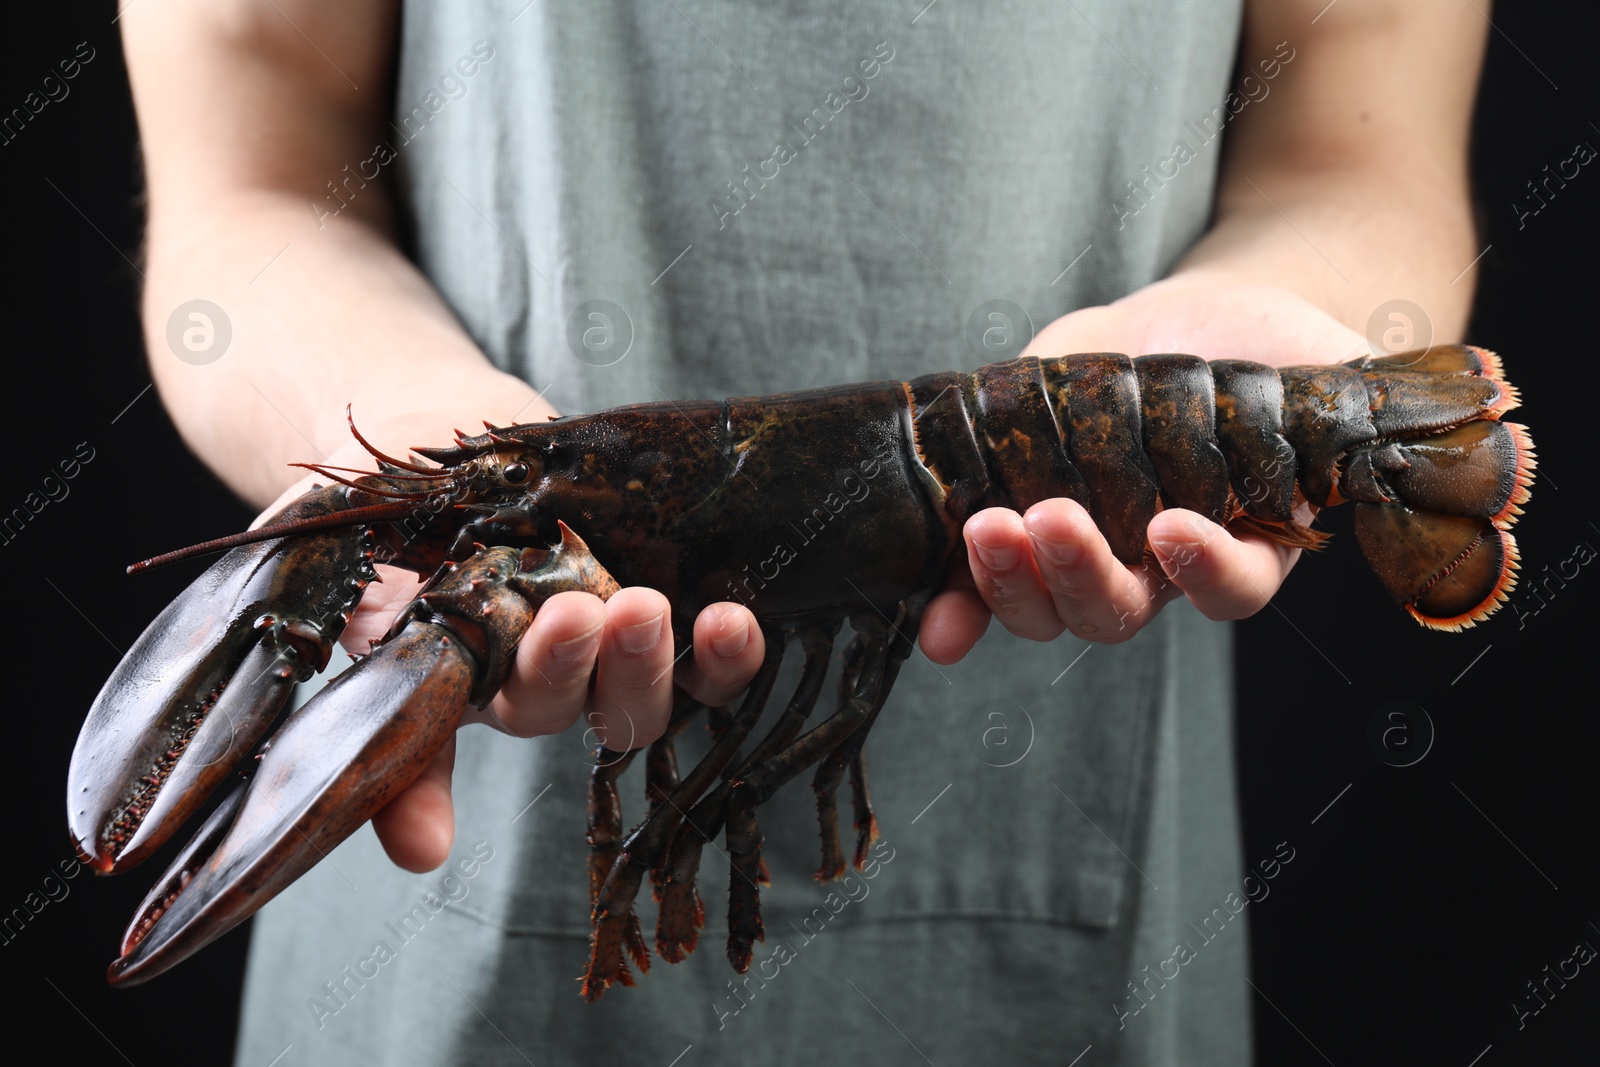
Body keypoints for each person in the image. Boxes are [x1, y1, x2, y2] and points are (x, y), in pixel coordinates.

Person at [121, 1, 1487, 1062]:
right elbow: (252, 172)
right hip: (429, 979)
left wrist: (1281, 333)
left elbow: (1362, 155)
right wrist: (423, 415)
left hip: (1087, 908)